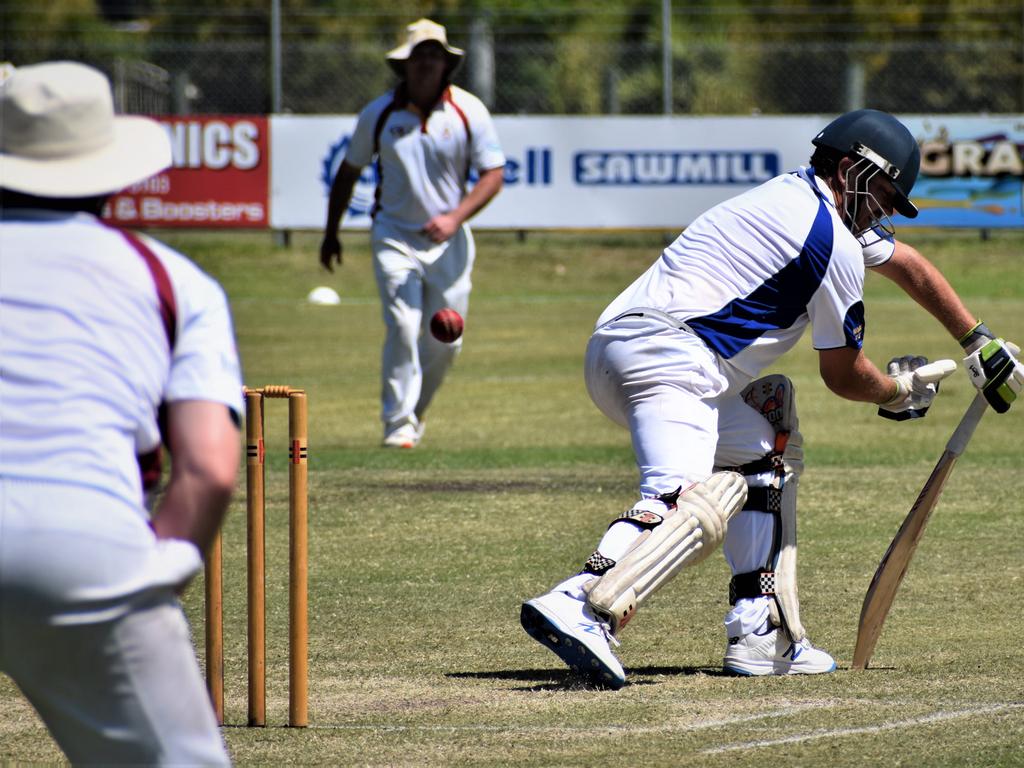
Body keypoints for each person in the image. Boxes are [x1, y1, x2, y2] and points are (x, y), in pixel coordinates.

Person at [520, 109, 1024, 688]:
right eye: (884, 192)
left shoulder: (790, 196)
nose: (885, 209)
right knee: (682, 501)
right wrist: (900, 391)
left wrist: (975, 339)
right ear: (849, 168)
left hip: (618, 348)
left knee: (766, 444)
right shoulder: (829, 239)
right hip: (672, 359)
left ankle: (759, 632)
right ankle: (581, 602)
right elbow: (843, 374)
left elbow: (904, 261)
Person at [0, 61, 243, 763]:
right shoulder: (172, 278)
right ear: (111, 171)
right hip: (84, 545)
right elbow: (210, 470)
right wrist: (157, 568)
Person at [320, 18, 505, 449]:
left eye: (434, 55)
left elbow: (492, 175)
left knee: (447, 337)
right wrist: (331, 233)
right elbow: (348, 174)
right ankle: (397, 422)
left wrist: (454, 218)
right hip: (393, 234)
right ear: (404, 64)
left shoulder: (468, 110)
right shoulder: (379, 112)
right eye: (419, 55)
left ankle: (416, 411)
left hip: (449, 240)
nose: (426, 63)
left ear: (446, 63)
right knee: (403, 326)